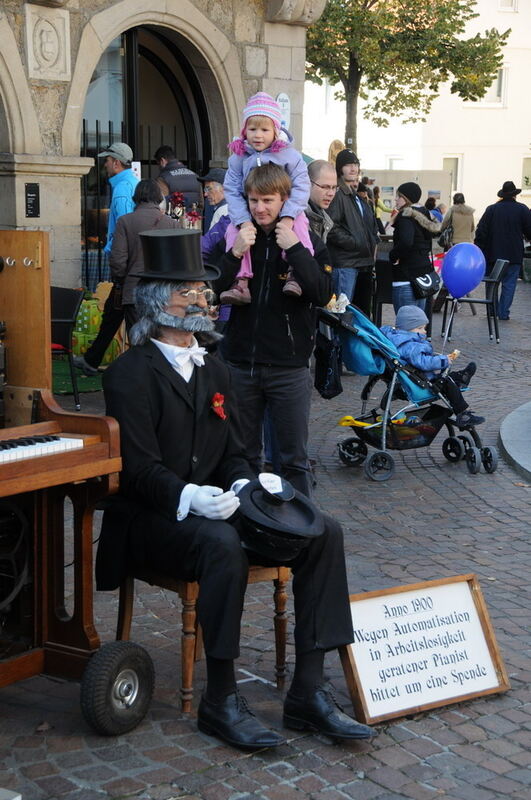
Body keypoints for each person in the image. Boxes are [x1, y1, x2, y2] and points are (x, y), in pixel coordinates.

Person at [96, 228, 375, 751]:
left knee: (322, 531)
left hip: (217, 507)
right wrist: (190, 496)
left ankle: (308, 694)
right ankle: (221, 699)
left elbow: (235, 453)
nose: (203, 301)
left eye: (204, 292)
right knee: (221, 544)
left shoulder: (215, 367)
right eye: (191, 294)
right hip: (151, 519)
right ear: (160, 304)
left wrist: (250, 481)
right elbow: (137, 469)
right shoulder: (130, 375)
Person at [214, 163, 333, 498]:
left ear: (284, 201)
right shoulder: (237, 236)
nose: (259, 208)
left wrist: (294, 248)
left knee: (292, 459)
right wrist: (235, 253)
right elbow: (208, 288)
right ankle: (246, 524)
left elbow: (323, 292)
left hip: (288, 367)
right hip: (240, 365)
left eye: (267, 200)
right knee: (242, 457)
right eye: (253, 200)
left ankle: (299, 532)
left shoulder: (306, 240)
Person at [221, 92, 312, 304]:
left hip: (285, 212)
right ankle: (241, 282)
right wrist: (243, 221)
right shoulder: (238, 158)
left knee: (300, 226)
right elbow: (232, 190)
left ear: (275, 131)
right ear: (244, 131)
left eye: (264, 129)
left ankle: (296, 272)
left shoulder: (289, 155)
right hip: (250, 213)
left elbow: (301, 185)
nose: (258, 135)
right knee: (232, 232)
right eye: (252, 129)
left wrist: (289, 215)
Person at [74, 142, 139, 376]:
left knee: (121, 313)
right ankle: (92, 360)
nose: (105, 165)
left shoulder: (122, 190)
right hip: (130, 264)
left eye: (107, 160)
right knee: (114, 313)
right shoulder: (132, 184)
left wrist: (118, 261)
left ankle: (96, 360)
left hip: (125, 265)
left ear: (116, 162)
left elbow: (125, 230)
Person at [381, 305, 484, 428]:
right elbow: (423, 362)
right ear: (407, 329)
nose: (424, 331)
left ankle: (461, 378)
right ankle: (463, 414)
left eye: (424, 328)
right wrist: (443, 360)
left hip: (415, 378)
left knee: (446, 378)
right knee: (446, 382)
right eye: (420, 328)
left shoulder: (399, 340)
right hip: (421, 383)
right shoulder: (411, 346)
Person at [105, 179, 181, 333]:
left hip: (134, 291)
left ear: (136, 196)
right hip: (163, 293)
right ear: (159, 197)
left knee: (138, 343)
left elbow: (118, 261)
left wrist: (122, 280)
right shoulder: (172, 224)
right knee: (161, 342)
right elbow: (177, 260)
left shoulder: (125, 221)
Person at [327, 149, 379, 308]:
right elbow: (331, 227)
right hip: (345, 263)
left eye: (355, 164)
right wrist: (355, 243)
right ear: (340, 169)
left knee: (356, 314)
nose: (353, 169)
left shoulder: (355, 196)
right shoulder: (338, 193)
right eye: (348, 165)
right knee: (341, 313)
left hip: (361, 262)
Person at [474, 180, 531, 320]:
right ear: (514, 195)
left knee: (492, 283)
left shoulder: (491, 209)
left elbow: (481, 231)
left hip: (493, 253)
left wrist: (480, 249)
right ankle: (503, 313)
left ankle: (491, 311)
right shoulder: (522, 209)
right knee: (509, 284)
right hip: (514, 254)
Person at [389, 182, 440, 313]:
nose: (396, 199)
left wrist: (393, 256)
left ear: (406, 198)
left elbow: (406, 242)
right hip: (422, 278)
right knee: (417, 325)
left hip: (406, 277)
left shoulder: (406, 216)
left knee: (405, 326)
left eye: (398, 196)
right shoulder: (424, 216)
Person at [432, 193, 476, 312]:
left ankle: (442, 302)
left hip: (453, 245)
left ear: (454, 201)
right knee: (461, 273)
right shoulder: (470, 212)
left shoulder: (452, 211)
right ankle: (458, 299)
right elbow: (472, 227)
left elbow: (444, 225)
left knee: (448, 273)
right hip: (466, 246)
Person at [153, 145, 202, 210]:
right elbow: (202, 204)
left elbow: (162, 205)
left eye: (158, 164)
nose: (158, 167)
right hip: (194, 218)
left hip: (173, 219)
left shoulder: (163, 179)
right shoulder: (195, 176)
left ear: (162, 161)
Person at [306, 160, 336, 242]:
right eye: (325, 187)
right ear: (308, 183)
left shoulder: (324, 218)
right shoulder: (297, 218)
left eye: (334, 188)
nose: (331, 193)